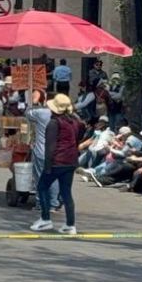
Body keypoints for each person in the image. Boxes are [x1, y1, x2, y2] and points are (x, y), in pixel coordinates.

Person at [30, 94, 83, 235]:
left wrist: (47, 165)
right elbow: (78, 140)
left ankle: (45, 218)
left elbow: (50, 146)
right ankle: (70, 224)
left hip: (57, 161)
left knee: (42, 186)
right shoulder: (75, 121)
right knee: (66, 192)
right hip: (71, 160)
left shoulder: (54, 123)